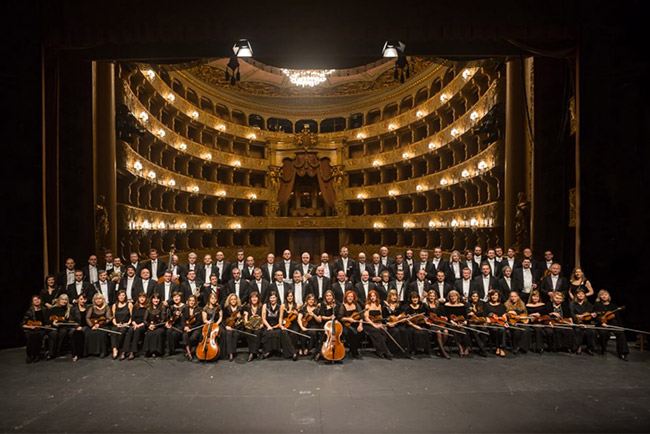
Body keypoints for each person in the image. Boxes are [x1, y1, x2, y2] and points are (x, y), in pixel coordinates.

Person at [593, 289, 629, 361]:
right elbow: (596, 316)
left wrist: (621, 327)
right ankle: (603, 349)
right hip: (601, 323)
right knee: (603, 333)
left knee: (620, 333)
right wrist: (601, 323)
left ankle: (623, 353)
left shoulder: (613, 306)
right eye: (602, 295)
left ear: (608, 296)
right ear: (599, 297)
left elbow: (618, 317)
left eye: (606, 294)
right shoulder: (597, 305)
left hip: (612, 323)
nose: (604, 296)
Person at [405, 291, 436, 357]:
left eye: (416, 298)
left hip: (421, 324)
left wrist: (426, 320)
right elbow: (407, 320)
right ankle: (414, 350)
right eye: (413, 298)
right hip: (411, 325)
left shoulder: (422, 306)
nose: (415, 299)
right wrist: (415, 326)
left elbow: (427, 315)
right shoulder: (407, 307)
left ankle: (425, 349)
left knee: (425, 331)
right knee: (414, 332)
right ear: (410, 299)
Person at [363, 290, 393, 359]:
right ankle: (387, 352)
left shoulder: (379, 305)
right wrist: (374, 325)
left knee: (384, 332)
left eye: (374, 296)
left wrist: (382, 324)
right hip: (369, 325)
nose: (373, 297)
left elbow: (380, 317)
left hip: (377, 323)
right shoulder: (367, 305)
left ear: (376, 297)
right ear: (369, 297)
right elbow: (366, 318)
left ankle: (380, 351)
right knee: (377, 333)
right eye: (371, 296)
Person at [45, 294, 75, 360]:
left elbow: (69, 321)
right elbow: (46, 319)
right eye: (62, 299)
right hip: (53, 327)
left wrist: (62, 323)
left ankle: (58, 350)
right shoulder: (53, 309)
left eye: (65, 300)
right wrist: (52, 323)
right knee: (53, 333)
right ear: (59, 300)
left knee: (63, 332)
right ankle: (51, 353)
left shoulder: (69, 309)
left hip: (63, 327)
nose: (64, 301)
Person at [442, 290, 470, 357]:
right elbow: (446, 316)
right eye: (451, 296)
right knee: (454, 329)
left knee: (463, 330)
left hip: (460, 323)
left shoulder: (462, 305)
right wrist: (452, 322)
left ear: (457, 297)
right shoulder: (446, 305)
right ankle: (460, 346)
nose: (453, 297)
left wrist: (464, 322)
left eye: (454, 296)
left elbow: (465, 316)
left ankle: (465, 347)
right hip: (450, 323)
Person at [84, 293, 113, 358]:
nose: (98, 300)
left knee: (102, 334)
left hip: (103, 325)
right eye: (96, 299)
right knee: (88, 333)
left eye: (100, 299)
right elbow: (87, 317)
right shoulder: (92, 307)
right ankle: (89, 351)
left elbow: (108, 319)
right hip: (93, 325)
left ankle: (102, 352)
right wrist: (92, 326)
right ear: (94, 300)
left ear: (102, 300)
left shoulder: (106, 307)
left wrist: (100, 324)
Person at [21, 295, 48, 363]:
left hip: (42, 329)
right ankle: (30, 355)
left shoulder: (44, 309)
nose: (37, 301)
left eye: (38, 299)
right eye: (35, 300)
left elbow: (47, 321)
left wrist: (48, 325)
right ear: (32, 302)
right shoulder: (29, 311)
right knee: (32, 336)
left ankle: (36, 354)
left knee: (38, 335)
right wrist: (31, 327)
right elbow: (22, 324)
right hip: (31, 329)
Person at [383, 289, 409, 357]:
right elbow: (384, 318)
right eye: (392, 295)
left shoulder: (399, 305)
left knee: (403, 330)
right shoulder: (385, 306)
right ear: (389, 296)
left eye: (395, 295)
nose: (394, 297)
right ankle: (395, 350)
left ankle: (404, 349)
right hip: (390, 325)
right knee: (396, 331)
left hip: (398, 323)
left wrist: (402, 317)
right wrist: (388, 323)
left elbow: (402, 314)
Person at [570, 288, 597, 355]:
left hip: (586, 323)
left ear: (585, 295)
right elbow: (572, 315)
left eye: (582, 293)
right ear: (576, 295)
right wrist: (579, 323)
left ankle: (590, 348)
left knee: (592, 331)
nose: (580, 295)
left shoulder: (588, 304)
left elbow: (591, 314)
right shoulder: (572, 304)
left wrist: (593, 315)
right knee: (578, 331)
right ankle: (578, 346)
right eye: (578, 293)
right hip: (577, 323)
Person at [339, 290, 364, 359]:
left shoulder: (356, 305)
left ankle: (353, 348)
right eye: (348, 296)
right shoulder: (343, 306)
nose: (350, 298)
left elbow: (361, 316)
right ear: (346, 298)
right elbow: (340, 317)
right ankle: (354, 351)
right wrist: (348, 319)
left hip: (356, 323)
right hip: (346, 324)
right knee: (351, 332)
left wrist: (360, 325)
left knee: (360, 332)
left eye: (351, 296)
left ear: (354, 298)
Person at [315, 290, 339, 361]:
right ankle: (319, 352)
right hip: (325, 324)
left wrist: (334, 308)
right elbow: (322, 317)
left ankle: (333, 352)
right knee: (323, 336)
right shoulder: (322, 305)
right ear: (325, 297)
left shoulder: (336, 305)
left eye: (330, 296)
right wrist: (329, 318)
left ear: (333, 297)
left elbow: (338, 316)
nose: (329, 297)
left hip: (333, 324)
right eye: (327, 296)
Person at [124, 293, 148, 360]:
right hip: (135, 324)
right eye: (140, 297)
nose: (142, 299)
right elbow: (133, 318)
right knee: (130, 330)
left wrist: (138, 325)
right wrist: (135, 324)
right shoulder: (135, 307)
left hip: (143, 325)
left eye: (143, 297)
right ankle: (125, 351)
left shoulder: (147, 307)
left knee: (137, 330)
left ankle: (133, 351)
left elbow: (147, 320)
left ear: (146, 298)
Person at [298, 293, 322, 359]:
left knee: (312, 332)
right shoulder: (303, 308)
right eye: (309, 299)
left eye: (312, 300)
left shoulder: (317, 309)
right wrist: (302, 327)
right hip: (305, 325)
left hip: (314, 325)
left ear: (314, 301)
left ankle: (308, 348)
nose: (311, 301)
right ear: (307, 300)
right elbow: (299, 318)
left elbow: (319, 320)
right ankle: (303, 348)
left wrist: (314, 315)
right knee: (302, 332)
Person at [143, 293, 167, 357]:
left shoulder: (162, 307)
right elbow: (144, 320)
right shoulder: (148, 308)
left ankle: (156, 351)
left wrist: (155, 326)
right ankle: (149, 351)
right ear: (152, 299)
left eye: (157, 299)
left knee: (158, 333)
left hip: (160, 326)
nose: (156, 300)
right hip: (150, 326)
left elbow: (163, 319)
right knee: (149, 333)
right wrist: (149, 325)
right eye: (154, 298)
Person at [485, 290, 507, 357]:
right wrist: (488, 320)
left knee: (502, 329)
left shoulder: (502, 306)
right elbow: (485, 316)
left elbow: (504, 316)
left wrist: (504, 322)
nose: (494, 297)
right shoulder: (486, 305)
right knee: (495, 330)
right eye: (492, 295)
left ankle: (501, 348)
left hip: (500, 323)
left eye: (496, 295)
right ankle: (497, 347)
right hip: (491, 324)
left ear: (498, 297)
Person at [110, 290, 132, 360]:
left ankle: (117, 347)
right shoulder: (114, 305)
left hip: (126, 324)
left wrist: (127, 323)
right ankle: (114, 349)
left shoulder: (129, 304)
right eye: (120, 295)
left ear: (125, 296)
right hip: (117, 324)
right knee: (113, 330)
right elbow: (113, 317)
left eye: (123, 295)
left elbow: (132, 316)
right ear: (118, 296)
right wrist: (116, 324)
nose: (121, 297)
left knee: (122, 331)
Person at [466, 291, 489, 357]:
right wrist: (474, 314)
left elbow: (483, 314)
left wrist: (474, 314)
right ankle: (482, 348)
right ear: (471, 297)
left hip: (480, 322)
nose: (475, 298)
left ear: (478, 297)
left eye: (476, 296)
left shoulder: (482, 304)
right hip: (471, 322)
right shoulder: (468, 304)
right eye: (473, 296)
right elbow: (467, 314)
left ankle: (482, 348)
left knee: (483, 329)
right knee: (473, 329)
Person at [180, 295, 203, 361]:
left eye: (193, 300)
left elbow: (199, 322)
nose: (191, 302)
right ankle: (189, 353)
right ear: (188, 301)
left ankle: (189, 349)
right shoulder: (185, 309)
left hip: (195, 327)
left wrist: (190, 327)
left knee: (194, 337)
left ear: (195, 301)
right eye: (190, 300)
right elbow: (183, 320)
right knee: (185, 335)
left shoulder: (198, 309)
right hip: (187, 327)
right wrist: (185, 326)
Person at [243, 291, 264, 362]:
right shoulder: (247, 307)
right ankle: (256, 352)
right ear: (250, 299)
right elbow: (245, 318)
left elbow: (263, 317)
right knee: (248, 333)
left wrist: (262, 324)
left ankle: (252, 353)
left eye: (256, 297)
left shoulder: (261, 306)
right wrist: (247, 325)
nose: (254, 299)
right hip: (250, 326)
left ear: (258, 298)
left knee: (257, 333)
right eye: (252, 297)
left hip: (258, 326)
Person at [279, 291, 300, 361]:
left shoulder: (297, 306)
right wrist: (280, 325)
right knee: (284, 333)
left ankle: (290, 352)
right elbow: (280, 317)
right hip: (286, 324)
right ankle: (294, 352)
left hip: (294, 325)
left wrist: (297, 314)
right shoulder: (283, 306)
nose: (290, 297)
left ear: (293, 297)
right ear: (286, 297)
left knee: (293, 333)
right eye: (288, 296)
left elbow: (300, 318)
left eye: (291, 296)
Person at [261, 291, 282, 358]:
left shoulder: (280, 306)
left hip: (276, 325)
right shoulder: (265, 305)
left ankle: (276, 350)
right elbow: (263, 318)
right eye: (271, 298)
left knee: (277, 333)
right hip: (267, 325)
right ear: (269, 298)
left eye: (274, 298)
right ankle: (268, 351)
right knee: (268, 333)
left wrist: (276, 326)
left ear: (276, 298)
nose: (272, 299)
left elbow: (280, 319)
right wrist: (269, 326)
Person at [223, 293, 243, 362]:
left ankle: (233, 351)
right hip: (228, 326)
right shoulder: (226, 309)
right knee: (229, 334)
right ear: (229, 300)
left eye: (235, 299)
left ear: (237, 300)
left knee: (236, 334)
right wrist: (226, 326)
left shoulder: (240, 308)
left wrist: (239, 318)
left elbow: (242, 321)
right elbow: (223, 319)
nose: (233, 301)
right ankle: (230, 354)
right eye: (231, 299)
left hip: (237, 327)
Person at [165, 291, 185, 356]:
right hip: (173, 324)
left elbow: (185, 319)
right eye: (174, 297)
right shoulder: (171, 307)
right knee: (168, 331)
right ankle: (169, 350)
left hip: (181, 325)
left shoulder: (185, 306)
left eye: (178, 296)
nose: (176, 298)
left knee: (174, 334)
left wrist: (180, 315)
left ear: (180, 298)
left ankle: (172, 349)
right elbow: (169, 317)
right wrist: (168, 323)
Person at [69, 293, 88, 361]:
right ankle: (75, 354)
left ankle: (79, 353)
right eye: (81, 299)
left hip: (86, 326)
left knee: (81, 332)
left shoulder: (88, 307)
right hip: (76, 326)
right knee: (75, 333)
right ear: (78, 300)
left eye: (84, 299)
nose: (83, 301)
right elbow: (71, 320)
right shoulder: (73, 308)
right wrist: (77, 326)